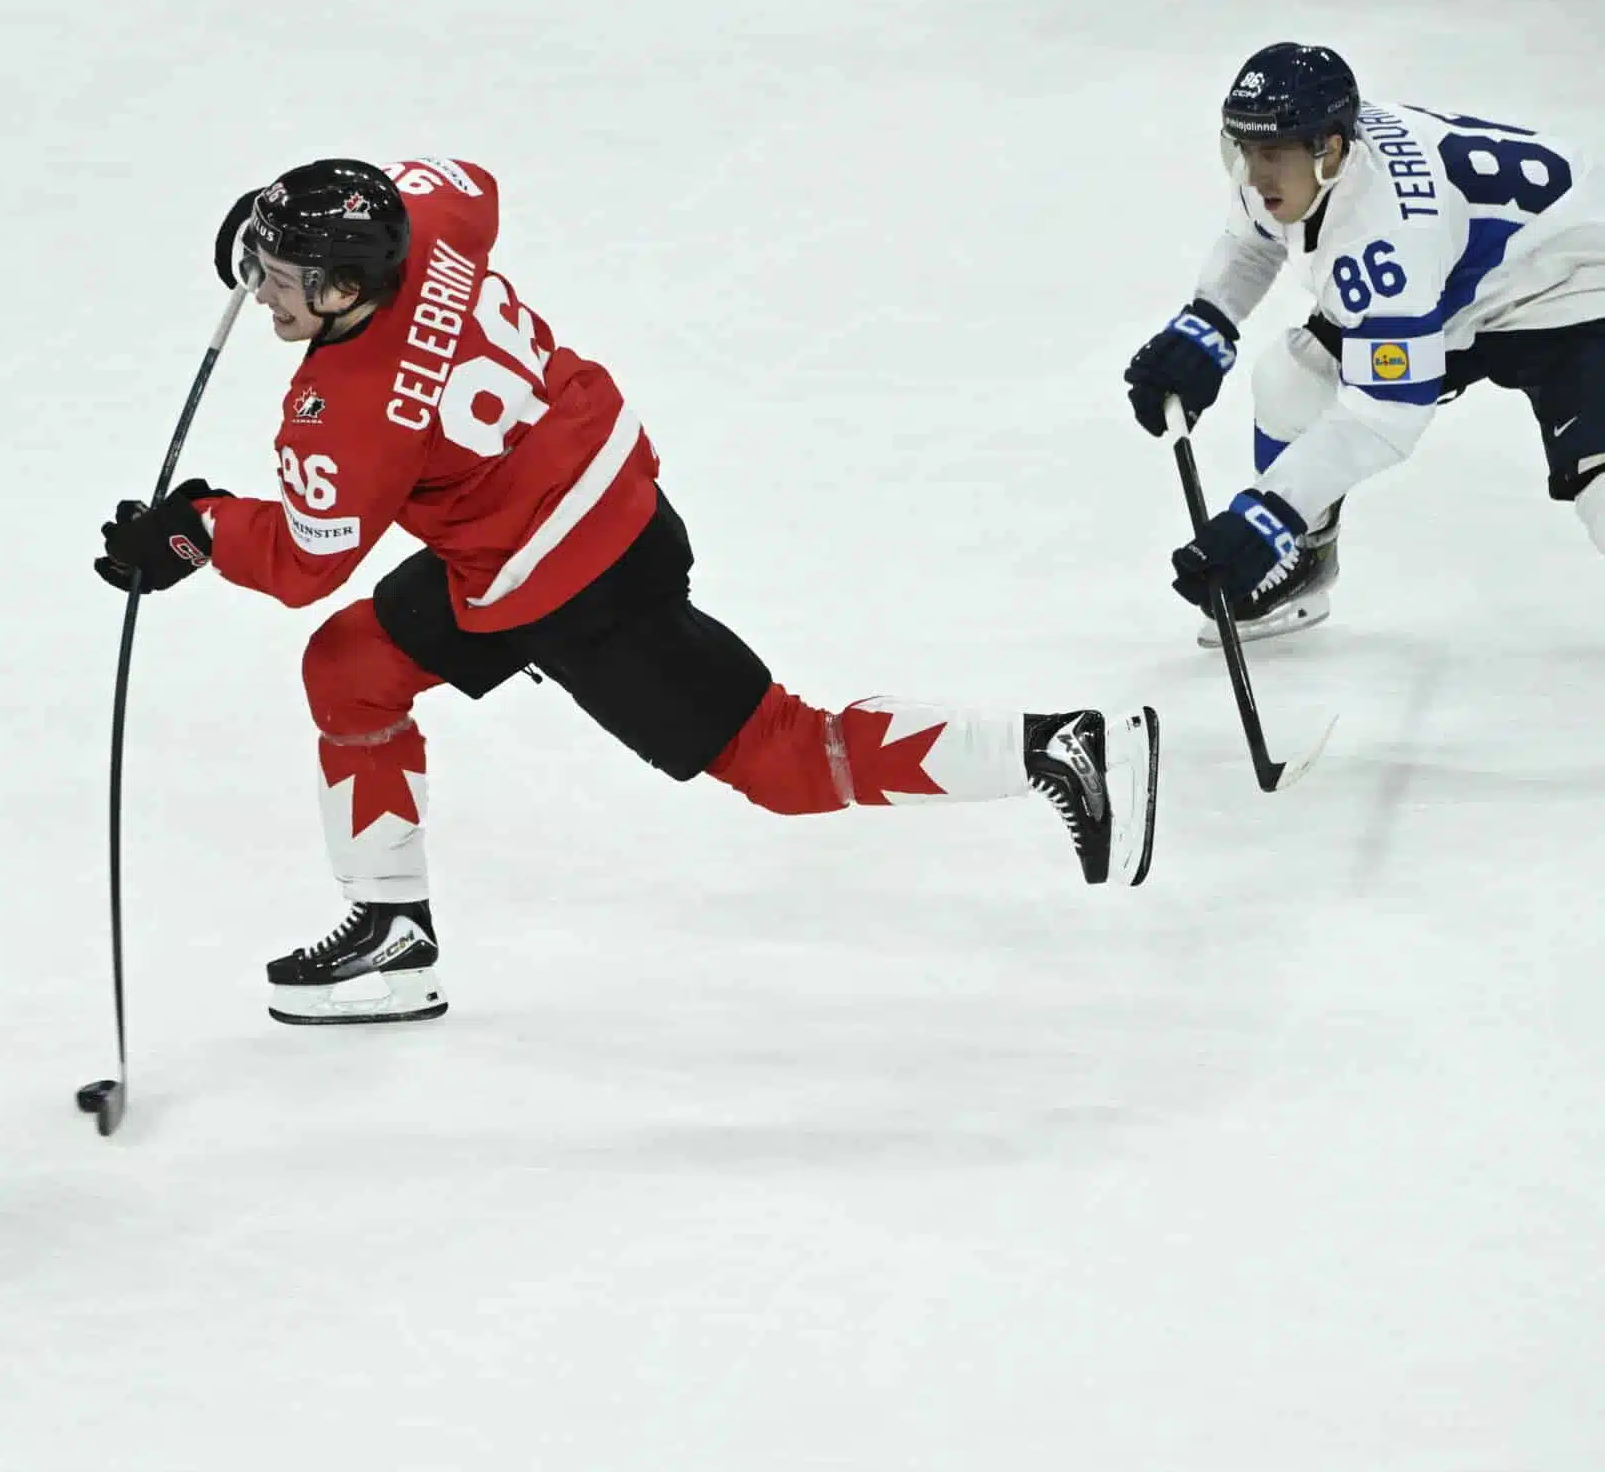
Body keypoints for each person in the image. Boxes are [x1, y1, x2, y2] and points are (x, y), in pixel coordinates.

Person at [95, 159, 1160, 1027]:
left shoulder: (342, 412)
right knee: (351, 668)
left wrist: (196, 528)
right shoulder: (434, 225)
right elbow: (466, 179)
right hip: (592, 500)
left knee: (788, 758)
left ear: (340, 291)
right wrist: (282, 215)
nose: (259, 288)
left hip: (563, 585)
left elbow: (303, 562)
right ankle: (393, 930)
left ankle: (1054, 747)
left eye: (279, 275)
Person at [1122, 43, 1605, 637]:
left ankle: (1289, 535)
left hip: (1580, 288)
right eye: (1242, 149)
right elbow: (1253, 241)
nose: (1253, 173)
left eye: (1270, 154)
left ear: (1329, 150)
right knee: (1293, 379)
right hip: (1467, 277)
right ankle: (1304, 561)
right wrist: (1206, 323)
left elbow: (1391, 411)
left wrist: (1269, 515)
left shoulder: (1385, 238)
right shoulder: (1307, 158)